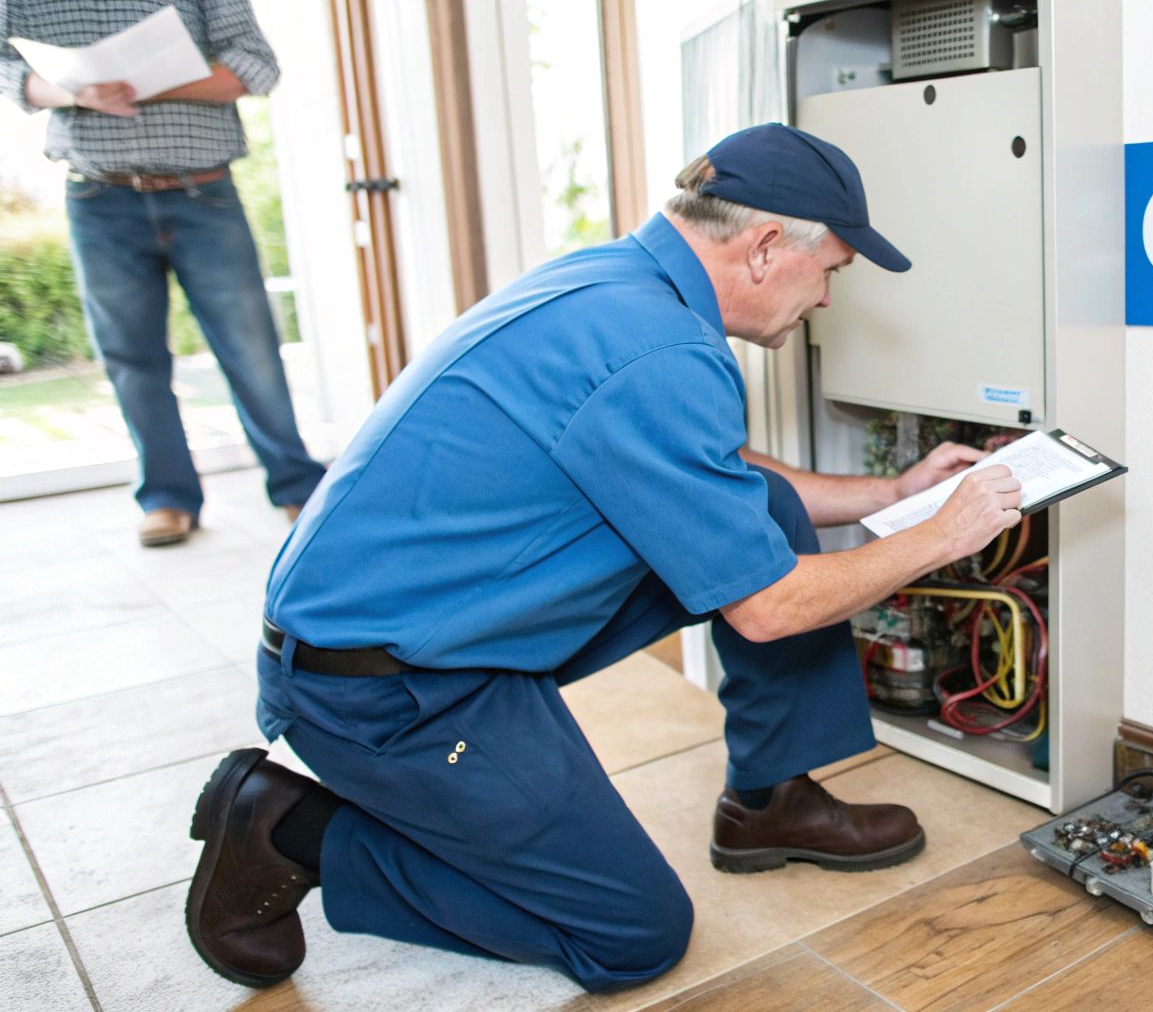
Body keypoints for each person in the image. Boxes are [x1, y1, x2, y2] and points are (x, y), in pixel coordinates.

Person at [182, 123, 1024, 993]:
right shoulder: (659, 351)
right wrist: (943, 533)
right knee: (632, 936)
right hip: (380, 689)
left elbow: (712, 476)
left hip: (420, 631)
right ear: (768, 246)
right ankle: (288, 827)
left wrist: (892, 495)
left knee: (763, 509)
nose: (826, 301)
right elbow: (771, 607)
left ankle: (771, 803)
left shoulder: (615, 285)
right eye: (833, 273)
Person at [0, 0, 327, 546]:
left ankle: (299, 485)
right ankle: (168, 497)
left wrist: (145, 86)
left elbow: (255, 64)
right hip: (98, 198)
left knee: (250, 347)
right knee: (131, 357)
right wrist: (75, 92)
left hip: (203, 192)